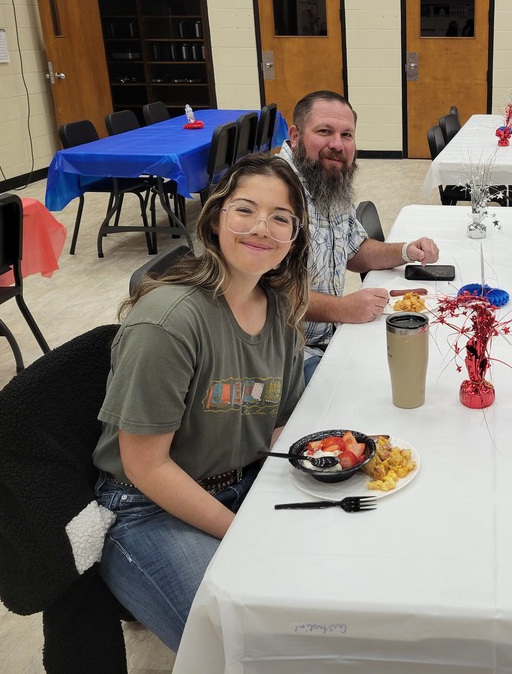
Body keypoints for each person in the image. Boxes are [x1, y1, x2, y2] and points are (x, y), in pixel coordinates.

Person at [92, 153, 310, 651]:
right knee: (244, 640)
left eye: (281, 218)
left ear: (293, 239)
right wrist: (244, 533)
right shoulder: (168, 322)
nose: (262, 227)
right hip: (146, 505)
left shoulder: (280, 310)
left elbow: (275, 427)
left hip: (239, 481)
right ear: (214, 221)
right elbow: (146, 466)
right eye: (245, 210)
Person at [276, 90, 439, 382]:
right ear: (296, 135)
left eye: (347, 135)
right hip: (284, 356)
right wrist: (343, 308)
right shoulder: (273, 192)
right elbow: (268, 295)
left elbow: (355, 253)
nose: (337, 144)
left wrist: (406, 251)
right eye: (324, 131)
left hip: (328, 337)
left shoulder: (325, 176)